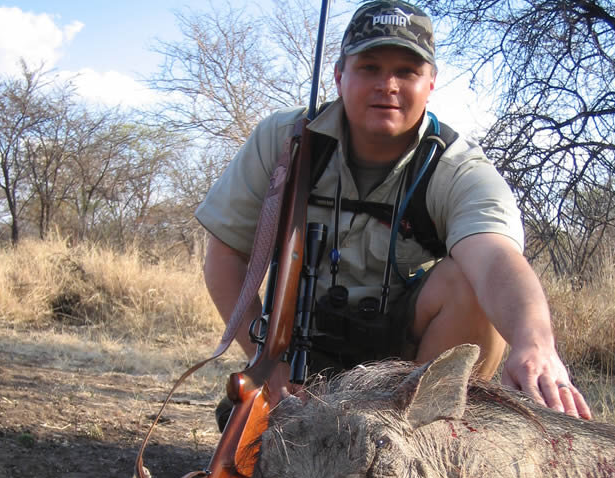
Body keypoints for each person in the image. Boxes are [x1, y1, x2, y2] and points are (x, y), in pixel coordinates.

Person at [196, 0, 591, 420]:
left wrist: (535, 344)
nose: (388, 85)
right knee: (245, 446)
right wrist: (267, 363)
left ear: (431, 82)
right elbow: (225, 257)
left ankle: (421, 434)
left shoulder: (456, 165)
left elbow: (495, 258)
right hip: (300, 355)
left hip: (406, 363)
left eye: (407, 71)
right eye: (369, 68)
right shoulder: (283, 140)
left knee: (467, 284)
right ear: (339, 75)